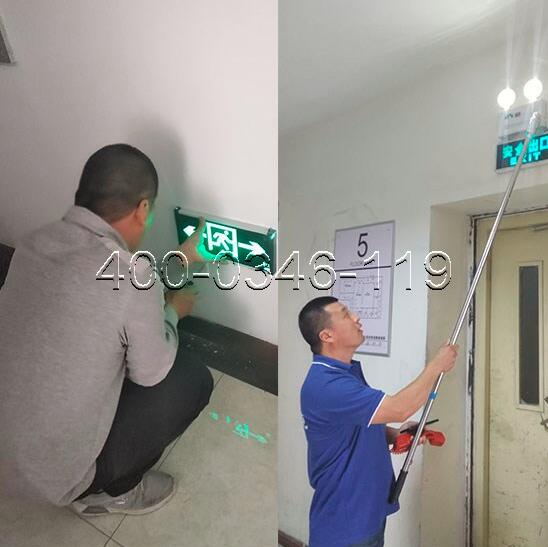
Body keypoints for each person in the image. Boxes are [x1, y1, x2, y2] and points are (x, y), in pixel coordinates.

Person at [0, 144, 214, 516]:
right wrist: (173, 312)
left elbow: (111, 286)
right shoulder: (133, 276)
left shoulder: (32, 242)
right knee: (191, 379)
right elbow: (150, 373)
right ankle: (110, 494)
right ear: (142, 209)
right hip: (53, 478)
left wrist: (179, 260)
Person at [299, 296, 458, 547]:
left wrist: (395, 434)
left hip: (367, 514)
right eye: (345, 314)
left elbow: (355, 427)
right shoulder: (326, 385)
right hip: (345, 527)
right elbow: (400, 408)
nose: (356, 318)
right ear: (327, 336)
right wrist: (436, 366)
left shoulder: (344, 373)